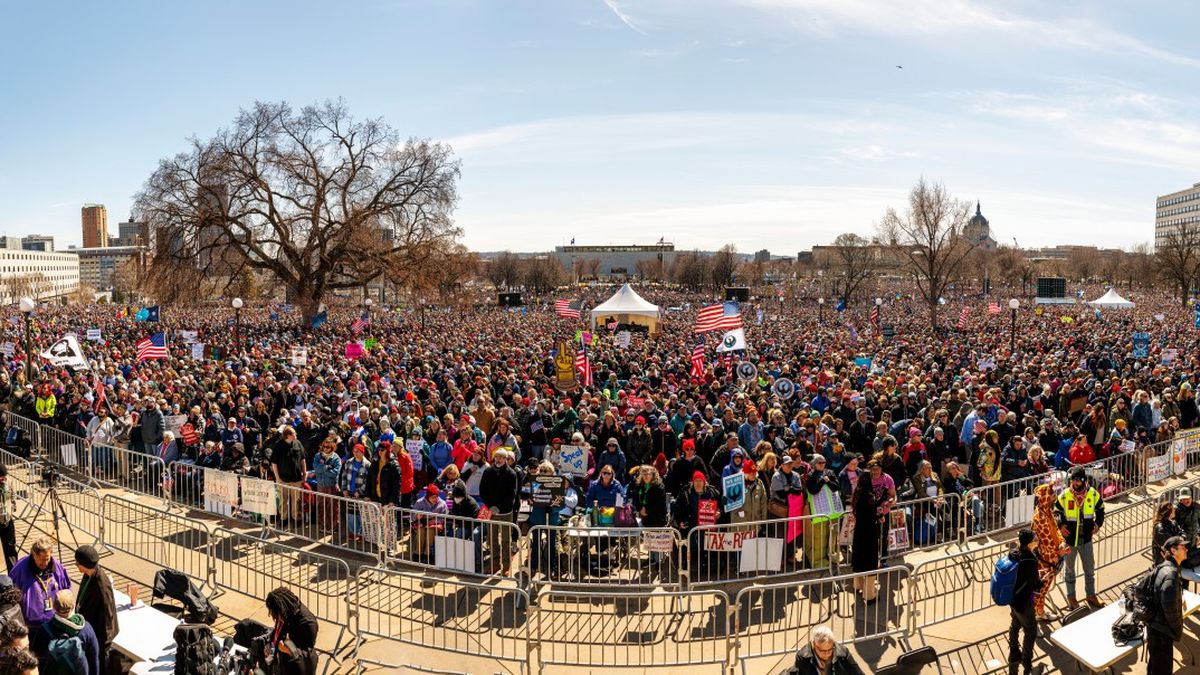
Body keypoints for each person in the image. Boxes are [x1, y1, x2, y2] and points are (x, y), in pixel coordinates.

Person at [1054, 466, 1105, 610]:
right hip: (1070, 541)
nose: (1075, 483)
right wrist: (1060, 525)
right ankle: (1072, 599)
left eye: (1078, 480)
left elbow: (1100, 509)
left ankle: (1091, 595)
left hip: (1086, 539)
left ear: (1084, 480)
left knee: (1089, 570)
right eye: (1073, 480)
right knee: (1069, 572)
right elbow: (1056, 510)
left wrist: (1098, 524)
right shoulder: (1065, 495)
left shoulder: (1093, 494)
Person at [29, 588, 100, 675]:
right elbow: (94, 660)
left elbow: (37, 659)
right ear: (74, 605)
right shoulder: (86, 629)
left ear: (54, 607)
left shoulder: (44, 630)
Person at [71, 546, 116, 673]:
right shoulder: (88, 575)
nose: (76, 566)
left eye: (77, 563)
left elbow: (107, 617)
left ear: (84, 565)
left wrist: (104, 646)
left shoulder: (102, 587)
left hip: (99, 638)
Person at [9, 537, 70, 630]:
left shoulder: (57, 567)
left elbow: (66, 591)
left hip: (54, 623)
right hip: (30, 626)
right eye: (42, 559)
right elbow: (11, 596)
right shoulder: (20, 569)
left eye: (47, 559)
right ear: (34, 555)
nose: (45, 563)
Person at [1147, 536, 1187, 675]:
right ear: (1173, 550)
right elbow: (1169, 607)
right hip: (1162, 632)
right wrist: (1177, 629)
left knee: (1155, 668)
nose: (1186, 549)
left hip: (1156, 629)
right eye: (1183, 547)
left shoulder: (1165, 567)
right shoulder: (1171, 573)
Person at [1028, 484, 1067, 622]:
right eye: (1051, 496)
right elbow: (1046, 540)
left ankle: (1040, 612)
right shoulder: (1039, 517)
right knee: (1038, 591)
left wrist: (1061, 541)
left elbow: (1056, 529)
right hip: (1045, 560)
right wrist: (1059, 552)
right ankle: (1032, 622)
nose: (1053, 498)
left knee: (1043, 591)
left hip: (1052, 558)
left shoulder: (1047, 511)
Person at [1006, 529, 1040, 675]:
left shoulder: (1014, 553)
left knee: (1015, 623)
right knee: (1031, 631)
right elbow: (1034, 584)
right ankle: (1027, 662)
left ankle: (1014, 650)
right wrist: (1041, 581)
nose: (1037, 539)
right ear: (1029, 542)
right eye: (1035, 538)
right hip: (1024, 601)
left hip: (1012, 598)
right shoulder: (1030, 560)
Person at [264, 587, 319, 675]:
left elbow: (309, 655)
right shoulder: (286, 612)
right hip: (284, 664)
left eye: (275, 613)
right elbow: (277, 631)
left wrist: (289, 650)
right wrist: (271, 645)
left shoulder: (308, 624)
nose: (275, 617)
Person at [786, 625, 865, 675]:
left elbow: (857, 672)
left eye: (830, 649)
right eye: (822, 651)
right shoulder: (803, 657)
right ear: (814, 645)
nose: (827, 654)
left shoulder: (843, 653)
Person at [270, 426, 308, 528]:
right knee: (283, 500)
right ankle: (284, 519)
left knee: (296, 500)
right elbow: (274, 463)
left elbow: (303, 459)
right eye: (294, 433)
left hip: (296, 479)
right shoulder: (278, 445)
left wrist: (304, 473)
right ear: (288, 435)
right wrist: (277, 478)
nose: (296, 435)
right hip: (283, 479)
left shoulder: (298, 443)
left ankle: (295, 518)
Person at [0, 467, 17, 572]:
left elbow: (12, 494)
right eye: (0, 477)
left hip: (7, 521)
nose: (3, 479)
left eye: (4, 477)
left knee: (10, 549)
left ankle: (14, 574)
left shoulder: (9, 481)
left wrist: (13, 506)